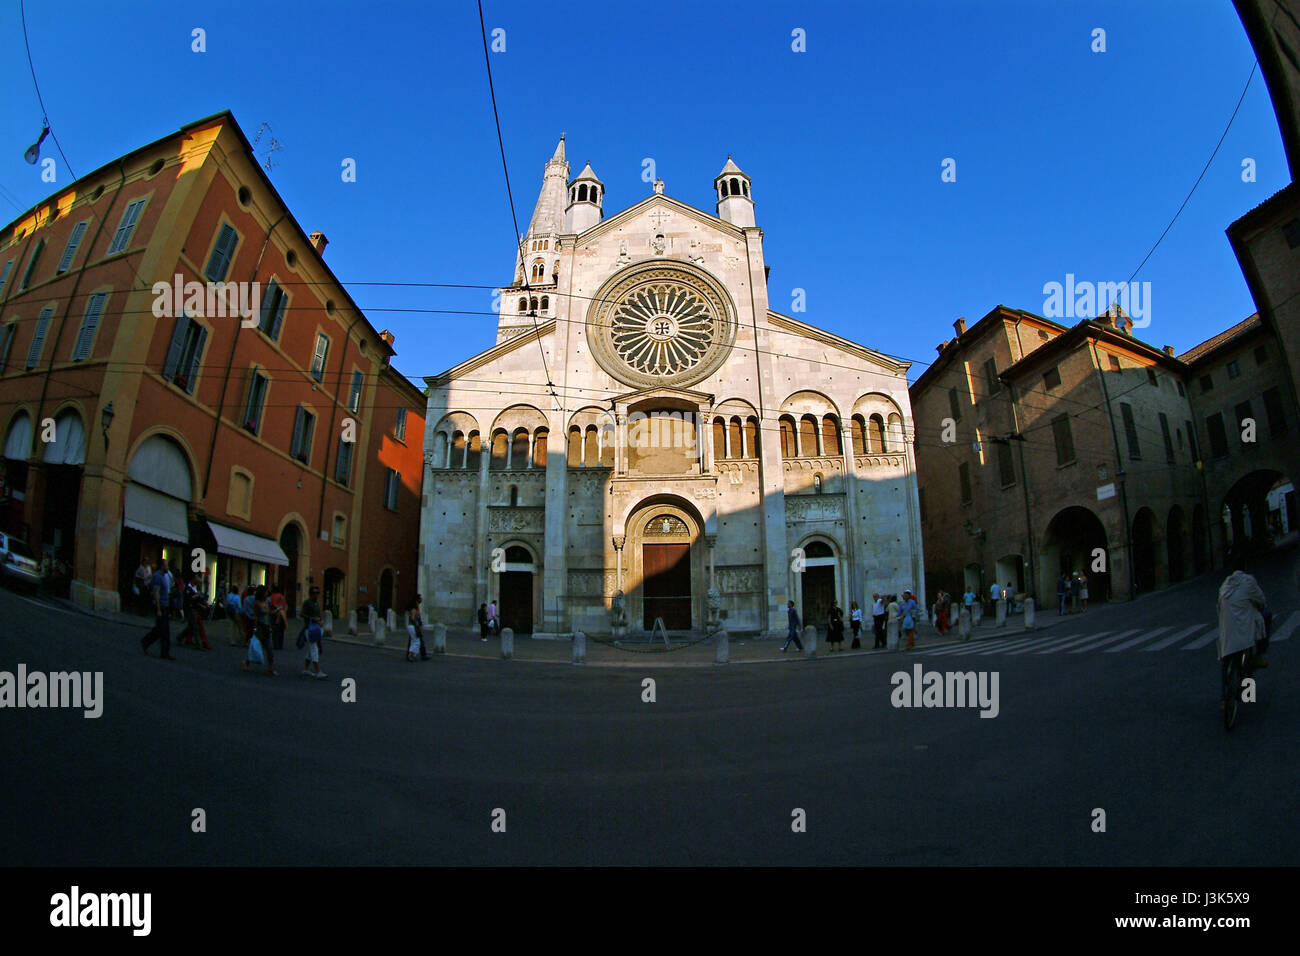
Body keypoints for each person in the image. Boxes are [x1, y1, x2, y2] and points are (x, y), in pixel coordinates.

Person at [1217, 555, 1270, 706]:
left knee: (1226, 660)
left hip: (1226, 633)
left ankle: (1223, 699)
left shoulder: (1225, 585)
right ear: (1245, 567)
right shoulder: (1248, 580)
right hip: (1243, 633)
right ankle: (1248, 694)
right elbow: (1261, 601)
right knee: (1267, 616)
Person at [140, 558, 175, 659]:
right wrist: (158, 609)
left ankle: (146, 642)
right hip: (161, 606)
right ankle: (164, 653)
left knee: (160, 630)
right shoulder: (157, 576)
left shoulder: (165, 576)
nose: (168, 567)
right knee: (164, 631)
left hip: (165, 605)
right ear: (162, 566)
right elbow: (156, 593)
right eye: (166, 565)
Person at [300, 586, 327, 680]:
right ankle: (318, 671)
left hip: (317, 628)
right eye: (314, 593)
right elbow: (301, 613)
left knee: (311, 649)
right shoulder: (307, 602)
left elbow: (319, 614)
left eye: (317, 592)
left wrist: (320, 621)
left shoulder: (317, 603)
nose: (316, 595)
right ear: (310, 594)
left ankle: (306, 668)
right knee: (314, 649)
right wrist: (312, 618)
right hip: (309, 628)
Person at [407, 595, 429, 661]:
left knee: (414, 641)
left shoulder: (416, 608)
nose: (422, 599)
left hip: (413, 627)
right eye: (420, 598)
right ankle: (411, 655)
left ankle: (412, 655)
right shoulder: (414, 609)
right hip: (414, 627)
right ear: (417, 599)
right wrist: (417, 625)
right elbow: (413, 618)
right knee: (416, 642)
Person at [269, 585, 288, 651]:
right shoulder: (282, 596)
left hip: (275, 614)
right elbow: (285, 606)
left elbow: (273, 605)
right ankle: (280, 644)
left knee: (275, 631)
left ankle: (276, 645)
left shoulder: (273, 597)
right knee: (281, 631)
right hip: (282, 614)